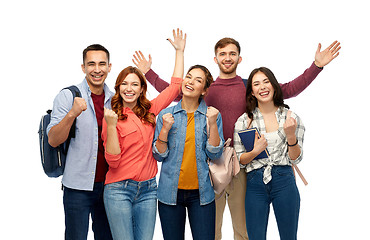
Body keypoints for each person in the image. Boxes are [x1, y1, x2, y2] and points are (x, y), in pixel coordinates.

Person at [133, 38, 341, 240]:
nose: (227, 57)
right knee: (211, 230)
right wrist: (148, 73)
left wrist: (316, 66)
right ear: (215, 59)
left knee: (244, 231)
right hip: (211, 166)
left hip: (243, 166)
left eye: (232, 53)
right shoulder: (205, 88)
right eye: (222, 54)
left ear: (239, 58)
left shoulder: (249, 87)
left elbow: (288, 89)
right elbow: (173, 93)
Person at [101, 29, 185, 240]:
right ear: (118, 87)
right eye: (124, 84)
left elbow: (175, 88)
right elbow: (112, 161)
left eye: (134, 84)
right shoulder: (112, 117)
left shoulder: (150, 111)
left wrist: (179, 52)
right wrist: (111, 126)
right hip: (119, 190)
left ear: (141, 90)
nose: (129, 89)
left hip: (148, 189)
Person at [47, 44, 114, 240]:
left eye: (102, 64)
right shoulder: (68, 96)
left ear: (109, 67)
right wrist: (72, 114)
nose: (97, 69)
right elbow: (53, 140)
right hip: (77, 188)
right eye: (91, 64)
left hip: (110, 186)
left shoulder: (115, 98)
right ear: (83, 67)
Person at [152, 64, 224, 240]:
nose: (190, 82)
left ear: (204, 90)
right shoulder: (166, 114)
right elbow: (158, 155)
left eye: (198, 80)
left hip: (202, 194)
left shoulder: (212, 115)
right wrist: (165, 130)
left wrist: (213, 123)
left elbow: (215, 154)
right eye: (189, 76)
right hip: (170, 193)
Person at [233, 66, 305, 240]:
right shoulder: (244, 120)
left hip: (284, 180)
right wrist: (255, 151)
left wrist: (290, 136)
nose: (262, 87)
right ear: (252, 92)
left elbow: (296, 157)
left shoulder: (290, 117)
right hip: (255, 183)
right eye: (256, 84)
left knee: (289, 237)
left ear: (274, 86)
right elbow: (240, 160)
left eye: (266, 82)